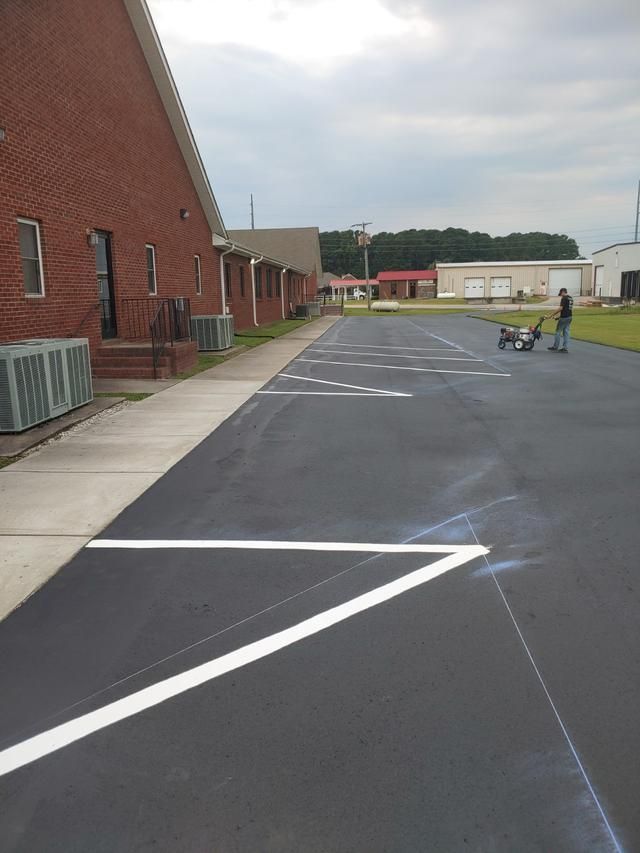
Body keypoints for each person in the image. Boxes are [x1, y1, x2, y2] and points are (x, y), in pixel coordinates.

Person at [547, 288, 573, 353]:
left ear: (563, 292)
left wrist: (551, 315)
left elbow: (561, 308)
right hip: (569, 317)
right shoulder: (570, 298)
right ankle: (565, 348)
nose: (561, 295)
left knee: (557, 332)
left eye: (561, 293)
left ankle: (555, 346)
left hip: (564, 318)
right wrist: (558, 317)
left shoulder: (564, 298)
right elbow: (567, 309)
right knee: (566, 332)